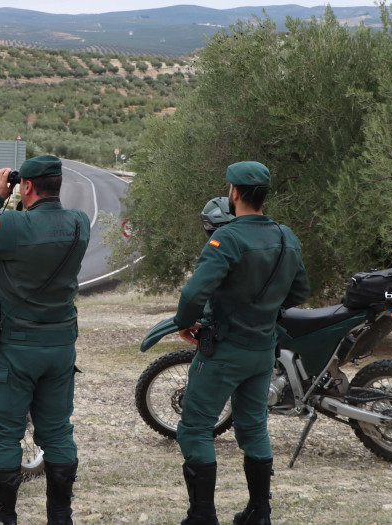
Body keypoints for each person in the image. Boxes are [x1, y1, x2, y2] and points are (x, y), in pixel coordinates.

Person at [0, 154, 90, 525]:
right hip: (60, 347)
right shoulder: (80, 224)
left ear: (26, 186)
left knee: (3, 439)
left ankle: (2, 519)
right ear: (58, 184)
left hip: (14, 349)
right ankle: (61, 517)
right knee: (58, 433)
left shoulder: (13, 224)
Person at [172, 161, 310, 525]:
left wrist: (185, 323)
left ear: (233, 193)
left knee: (195, 428)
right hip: (262, 350)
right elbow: (300, 290)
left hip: (224, 348)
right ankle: (259, 513)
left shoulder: (228, 238)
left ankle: (202, 516)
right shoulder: (285, 236)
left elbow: (192, 292)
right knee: (253, 428)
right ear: (264, 194)